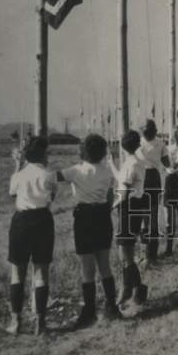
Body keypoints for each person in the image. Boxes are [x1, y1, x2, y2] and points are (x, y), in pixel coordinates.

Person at [57, 133, 122, 327]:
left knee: (87, 268)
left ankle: (89, 311)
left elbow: (53, 177)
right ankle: (112, 307)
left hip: (84, 217)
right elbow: (110, 198)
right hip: (103, 216)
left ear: (83, 151)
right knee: (105, 266)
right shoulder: (107, 172)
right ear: (103, 152)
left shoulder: (76, 170)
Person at [6, 135, 57, 335]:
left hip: (21, 221)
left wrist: (18, 165)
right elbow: (52, 196)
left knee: (17, 273)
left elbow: (12, 193)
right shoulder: (49, 175)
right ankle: (40, 322)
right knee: (41, 272)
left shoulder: (19, 175)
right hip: (43, 220)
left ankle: (16, 321)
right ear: (42, 154)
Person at [108, 129, 149, 306]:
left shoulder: (130, 164)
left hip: (128, 208)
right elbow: (122, 179)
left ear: (123, 147)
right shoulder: (136, 162)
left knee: (125, 254)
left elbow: (123, 194)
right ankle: (128, 289)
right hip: (136, 207)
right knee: (127, 252)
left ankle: (137, 289)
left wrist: (110, 207)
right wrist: (111, 163)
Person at [137, 118, 168, 264]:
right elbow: (167, 162)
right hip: (153, 177)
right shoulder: (160, 143)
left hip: (143, 177)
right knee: (152, 216)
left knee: (145, 217)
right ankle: (151, 255)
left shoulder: (139, 143)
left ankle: (147, 254)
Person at [163, 126, 178, 257]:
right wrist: (168, 168)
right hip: (172, 181)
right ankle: (169, 247)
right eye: (174, 135)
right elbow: (166, 166)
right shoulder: (169, 149)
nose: (175, 137)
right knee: (170, 218)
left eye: (177, 135)